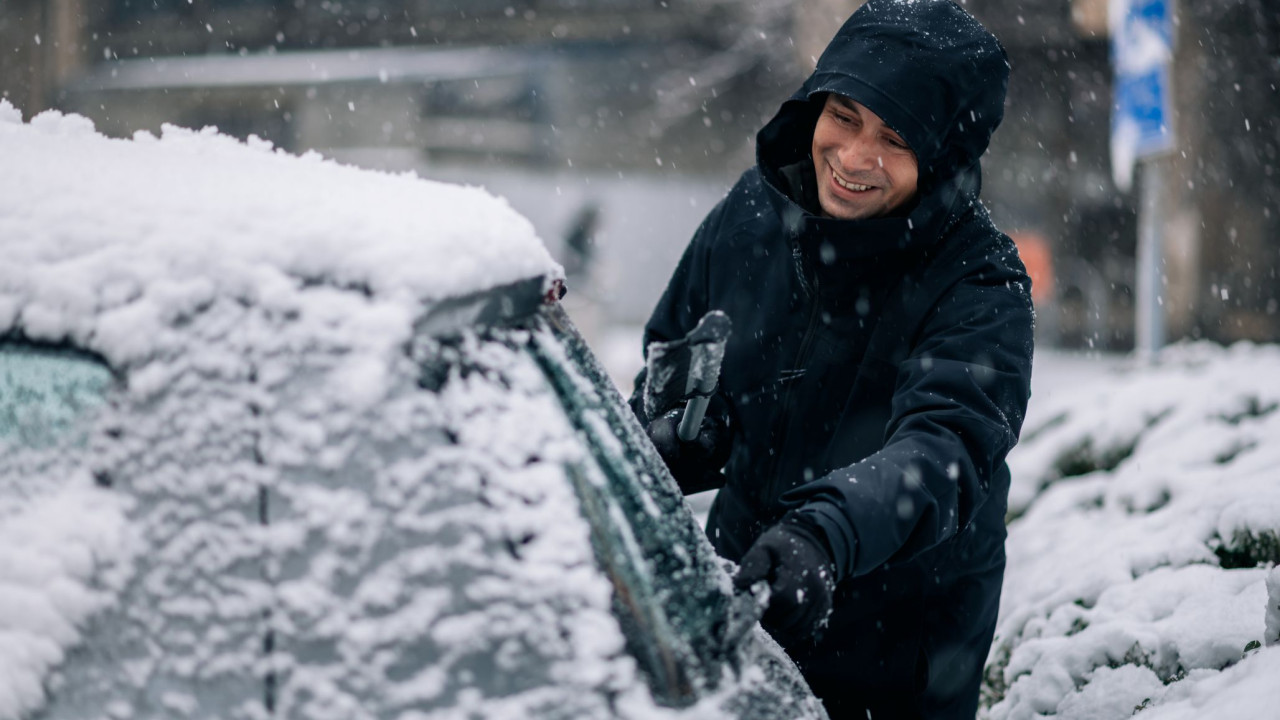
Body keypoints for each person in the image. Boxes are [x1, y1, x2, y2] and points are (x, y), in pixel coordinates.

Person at [630, 1, 1034, 717]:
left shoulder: (980, 283)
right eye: (844, 116)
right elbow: (674, 354)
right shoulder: (753, 213)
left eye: (895, 138)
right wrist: (690, 431)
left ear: (943, 157)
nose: (852, 157)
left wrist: (826, 533)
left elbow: (943, 448)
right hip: (740, 592)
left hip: (897, 642)